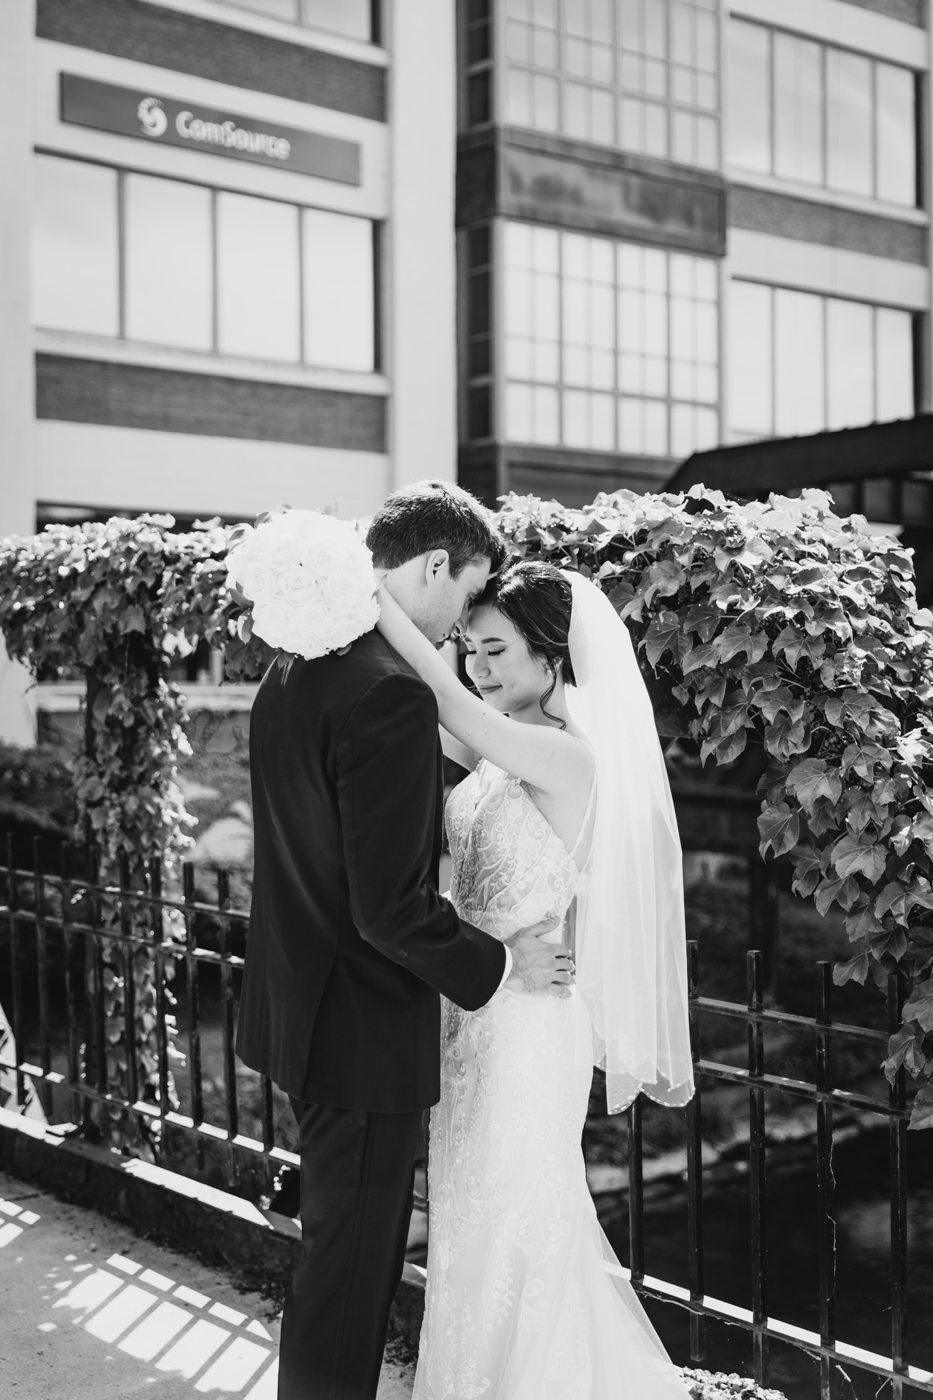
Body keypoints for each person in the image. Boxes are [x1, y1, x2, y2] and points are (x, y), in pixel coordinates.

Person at [235, 483, 574, 1400]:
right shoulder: (384, 693)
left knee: (332, 1257)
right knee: (348, 1280)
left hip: (301, 1003)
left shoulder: (296, 667)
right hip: (362, 1025)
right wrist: (500, 962)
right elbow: (390, 908)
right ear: (434, 566)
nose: (461, 628)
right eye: (465, 598)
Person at [375, 558, 695, 1400]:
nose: (476, 669)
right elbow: (436, 716)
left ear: (553, 659)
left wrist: (369, 594)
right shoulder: (497, 753)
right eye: (467, 648)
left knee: (518, 1210)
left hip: (529, 1023)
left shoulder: (564, 757)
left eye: (495, 651)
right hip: (475, 1005)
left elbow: (440, 704)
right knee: (470, 1212)